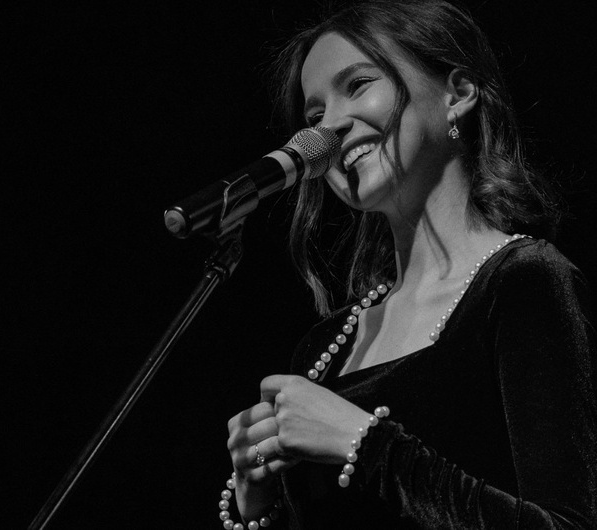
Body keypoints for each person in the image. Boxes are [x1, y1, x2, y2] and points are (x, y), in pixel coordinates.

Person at [223, 1, 597, 528]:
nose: (328, 130)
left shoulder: (525, 282)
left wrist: (364, 443)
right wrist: (256, 504)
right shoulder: (323, 348)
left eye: (357, 85)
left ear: (457, 94)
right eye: (313, 117)